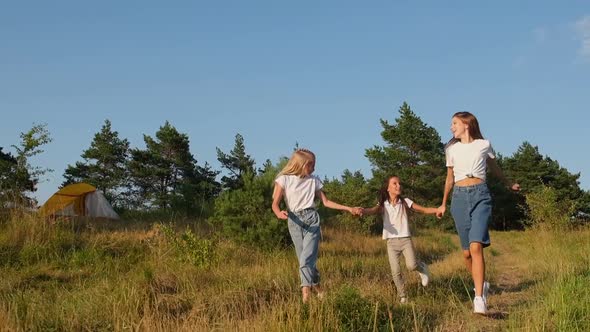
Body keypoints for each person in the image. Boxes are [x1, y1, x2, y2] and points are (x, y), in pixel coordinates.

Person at [436, 112, 519, 314]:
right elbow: (449, 179)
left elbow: (495, 168)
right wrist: (443, 204)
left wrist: (508, 184)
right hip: (459, 198)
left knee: (475, 247)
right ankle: (481, 284)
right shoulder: (451, 149)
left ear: (466, 124)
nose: (451, 127)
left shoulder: (484, 144)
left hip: (481, 195)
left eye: (454, 123)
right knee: (466, 253)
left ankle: (479, 298)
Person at [272, 149, 362, 303]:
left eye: (314, 164)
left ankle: (305, 298)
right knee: (304, 260)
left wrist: (348, 208)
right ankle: (319, 289)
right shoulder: (284, 179)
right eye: (311, 164)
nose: (313, 168)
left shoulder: (314, 180)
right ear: (300, 164)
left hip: (311, 219)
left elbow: (326, 202)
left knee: (306, 259)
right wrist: (278, 212)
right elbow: (274, 203)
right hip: (294, 221)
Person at [361, 175, 439, 304]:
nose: (398, 186)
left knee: (411, 265)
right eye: (394, 183)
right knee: (395, 271)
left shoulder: (405, 202)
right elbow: (372, 210)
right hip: (391, 242)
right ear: (388, 188)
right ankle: (403, 296)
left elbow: (423, 209)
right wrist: (363, 210)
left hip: (405, 240)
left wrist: (436, 210)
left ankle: (422, 267)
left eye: (399, 183)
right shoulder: (383, 204)